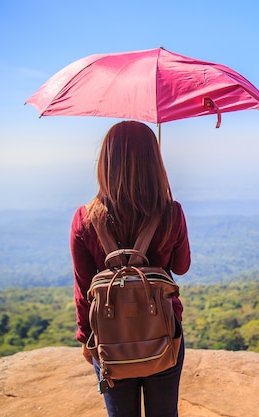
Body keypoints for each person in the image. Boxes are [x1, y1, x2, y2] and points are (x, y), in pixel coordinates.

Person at [70, 120, 191, 417]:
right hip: (162, 333)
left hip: (109, 339)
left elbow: (84, 290)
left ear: (105, 163)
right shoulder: (171, 212)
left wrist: (86, 339)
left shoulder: (85, 219)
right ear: (154, 162)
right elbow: (182, 266)